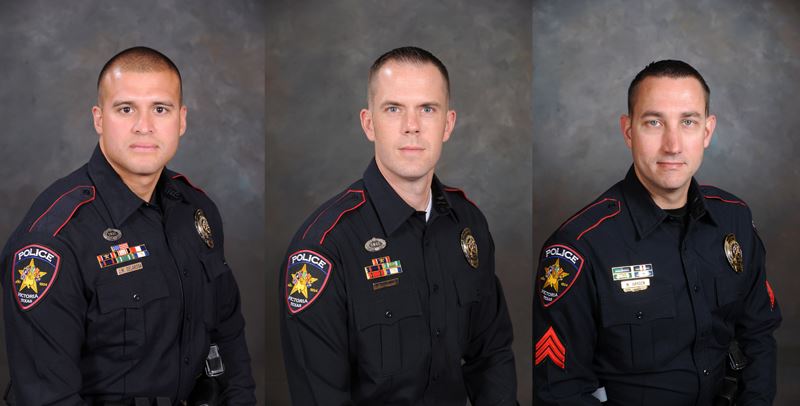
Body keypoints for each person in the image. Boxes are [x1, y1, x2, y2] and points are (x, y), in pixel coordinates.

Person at [0, 46, 256, 405]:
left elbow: (228, 333)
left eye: (160, 109)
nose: (144, 126)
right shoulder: (53, 239)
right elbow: (48, 397)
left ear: (181, 120)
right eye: (125, 109)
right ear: (98, 119)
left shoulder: (197, 210)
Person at [533, 60, 781, 405]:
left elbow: (758, 336)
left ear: (707, 131)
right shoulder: (579, 247)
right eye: (654, 122)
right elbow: (560, 391)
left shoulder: (734, 219)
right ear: (628, 131)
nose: (673, 145)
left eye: (688, 122)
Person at [279, 46, 517, 405]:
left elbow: (491, 354)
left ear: (448, 124)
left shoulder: (469, 224)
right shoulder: (323, 249)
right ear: (368, 123)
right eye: (393, 109)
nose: (412, 126)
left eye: (427, 109)